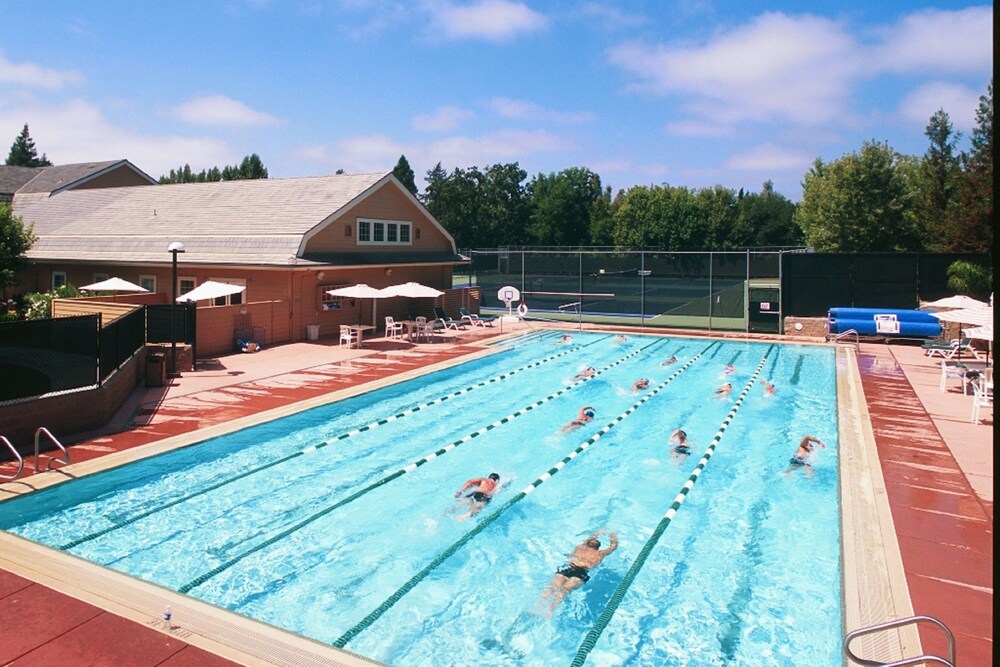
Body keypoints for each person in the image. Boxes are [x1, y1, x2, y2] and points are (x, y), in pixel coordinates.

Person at [539, 529, 618, 615]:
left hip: (581, 573)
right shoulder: (581, 547)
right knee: (552, 588)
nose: (595, 540)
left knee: (564, 590)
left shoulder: (600, 553)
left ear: (598, 546)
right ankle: (536, 608)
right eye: (593, 539)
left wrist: (613, 534)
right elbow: (590, 538)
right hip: (568, 568)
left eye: (596, 540)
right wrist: (598, 533)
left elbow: (612, 547)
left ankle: (550, 610)